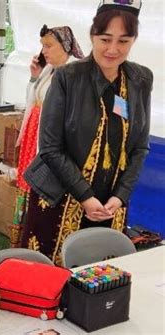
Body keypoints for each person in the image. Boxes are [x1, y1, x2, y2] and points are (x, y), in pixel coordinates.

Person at [21, 0, 153, 265]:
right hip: (60, 197)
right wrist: (85, 196)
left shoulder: (140, 79)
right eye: (105, 39)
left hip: (110, 204)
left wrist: (121, 196)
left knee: (100, 280)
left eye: (124, 41)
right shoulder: (68, 77)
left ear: (134, 41)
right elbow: (50, 147)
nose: (113, 49)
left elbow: (139, 146)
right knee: (50, 279)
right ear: (92, 35)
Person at [13, 24, 84, 247]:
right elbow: (34, 99)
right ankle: (22, 236)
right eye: (43, 45)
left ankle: (39, 236)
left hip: (48, 141)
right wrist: (34, 77)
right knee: (28, 183)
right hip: (34, 136)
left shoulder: (73, 75)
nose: (44, 50)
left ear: (65, 46)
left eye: (49, 46)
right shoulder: (48, 71)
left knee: (42, 186)